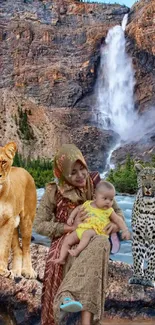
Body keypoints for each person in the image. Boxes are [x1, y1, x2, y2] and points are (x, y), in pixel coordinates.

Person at [34, 144, 125, 325]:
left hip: (94, 234)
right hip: (67, 238)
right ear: (62, 172)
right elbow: (39, 225)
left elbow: (118, 213)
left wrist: (115, 226)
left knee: (101, 243)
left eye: (82, 168)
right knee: (75, 254)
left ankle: (72, 300)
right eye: (73, 172)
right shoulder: (53, 191)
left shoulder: (97, 183)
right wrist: (70, 227)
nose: (80, 175)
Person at [54, 180, 130, 264]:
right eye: (105, 198)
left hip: (96, 232)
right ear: (95, 197)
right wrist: (71, 217)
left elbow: (118, 220)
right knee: (68, 239)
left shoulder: (109, 211)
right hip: (81, 229)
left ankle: (77, 250)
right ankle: (62, 258)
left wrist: (125, 230)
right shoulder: (87, 204)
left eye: (111, 199)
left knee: (87, 234)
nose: (108, 202)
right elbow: (78, 208)